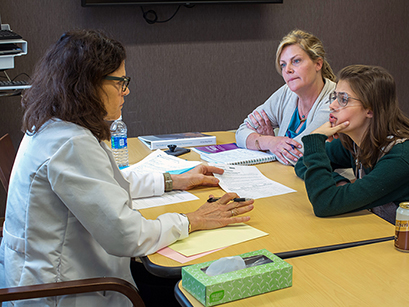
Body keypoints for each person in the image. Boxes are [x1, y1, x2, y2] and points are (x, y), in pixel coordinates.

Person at [0, 30, 254, 306]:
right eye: (120, 82)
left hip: (56, 277)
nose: (126, 90)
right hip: (65, 292)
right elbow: (127, 236)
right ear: (89, 84)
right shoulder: (70, 144)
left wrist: (173, 181)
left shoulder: (55, 126)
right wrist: (193, 220)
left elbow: (105, 183)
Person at [295, 64, 409, 252]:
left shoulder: (404, 156)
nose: (332, 105)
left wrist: (315, 141)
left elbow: (324, 204)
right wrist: (340, 184)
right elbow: (303, 164)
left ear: (370, 110)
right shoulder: (356, 141)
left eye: (343, 99)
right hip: (390, 233)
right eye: (335, 97)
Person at [235, 29, 336, 165]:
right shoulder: (287, 92)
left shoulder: (335, 100)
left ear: (318, 64)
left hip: (328, 181)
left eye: (296, 61)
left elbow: (300, 153)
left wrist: (269, 144)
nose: (287, 70)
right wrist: (271, 142)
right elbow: (241, 132)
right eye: (283, 64)